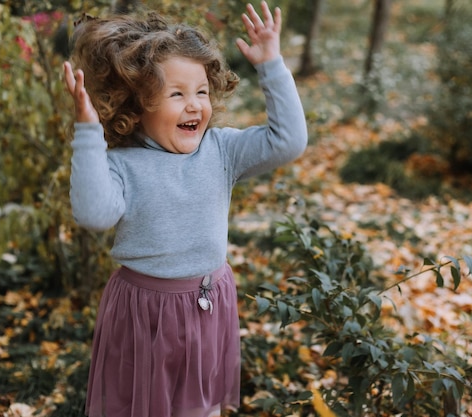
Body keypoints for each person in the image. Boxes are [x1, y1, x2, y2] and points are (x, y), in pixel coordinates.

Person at [63, 1, 307, 416]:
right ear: (137, 105)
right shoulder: (122, 165)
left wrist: (271, 65)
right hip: (143, 312)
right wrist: (88, 131)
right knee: (136, 406)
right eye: (177, 94)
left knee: (199, 407)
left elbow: (288, 142)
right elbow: (93, 215)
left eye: (201, 92)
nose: (194, 104)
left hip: (207, 304)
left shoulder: (221, 150)